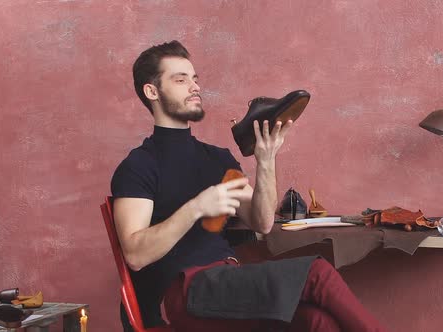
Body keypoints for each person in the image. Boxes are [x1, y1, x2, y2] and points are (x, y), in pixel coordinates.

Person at [111, 40, 387, 332]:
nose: (195, 87)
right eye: (180, 80)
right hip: (188, 292)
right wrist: (196, 208)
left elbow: (263, 221)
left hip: (229, 283)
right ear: (152, 91)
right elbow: (136, 255)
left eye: (195, 79)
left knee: (317, 322)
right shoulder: (138, 166)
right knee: (317, 273)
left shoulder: (218, 159)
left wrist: (266, 161)